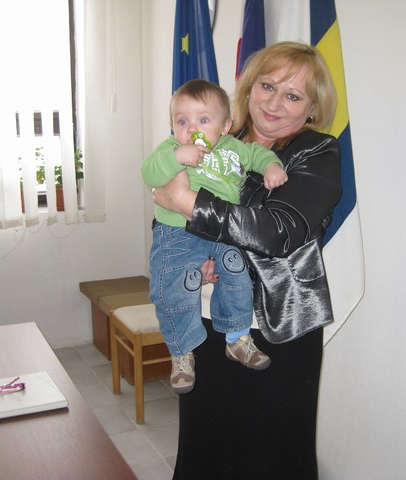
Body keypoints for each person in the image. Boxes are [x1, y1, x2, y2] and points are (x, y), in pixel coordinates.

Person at [153, 42, 342, 479]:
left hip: (278, 328)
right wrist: (187, 256)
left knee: (271, 457)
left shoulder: (316, 152)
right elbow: (165, 205)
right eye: (268, 86)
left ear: (312, 108)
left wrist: (189, 203)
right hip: (207, 321)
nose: (274, 103)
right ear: (249, 87)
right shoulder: (218, 138)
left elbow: (277, 231)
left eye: (293, 95)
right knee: (205, 450)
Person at [142, 79, 288, 394]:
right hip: (178, 232)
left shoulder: (233, 148)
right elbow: (148, 173)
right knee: (173, 288)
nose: (191, 128)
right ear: (173, 126)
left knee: (237, 273)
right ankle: (181, 352)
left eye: (203, 120)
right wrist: (176, 157)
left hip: (221, 232)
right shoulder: (170, 148)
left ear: (225, 126)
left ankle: (237, 338)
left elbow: (258, 155)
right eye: (182, 121)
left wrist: (271, 167)